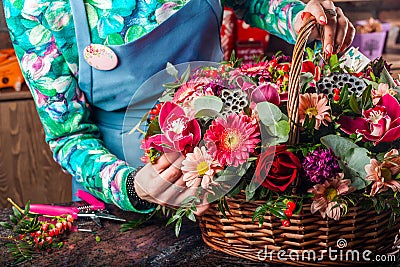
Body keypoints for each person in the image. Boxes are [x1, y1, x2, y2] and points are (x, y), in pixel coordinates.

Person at [3, 0, 355, 214]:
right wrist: (132, 187)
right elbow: (70, 136)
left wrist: (302, 20)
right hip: (124, 201)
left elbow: (257, 3)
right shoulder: (34, 6)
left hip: (231, 173)